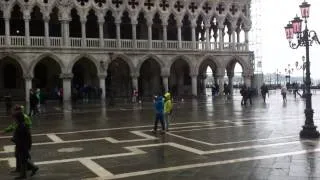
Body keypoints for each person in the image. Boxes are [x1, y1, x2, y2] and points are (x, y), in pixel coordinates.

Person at [12, 111, 38, 179]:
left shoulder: (21, 127)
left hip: (22, 146)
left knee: (23, 160)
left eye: (15, 118)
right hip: (22, 145)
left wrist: (14, 139)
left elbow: (23, 139)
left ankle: (23, 175)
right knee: (22, 158)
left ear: (18, 119)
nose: (14, 120)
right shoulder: (22, 125)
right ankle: (33, 168)